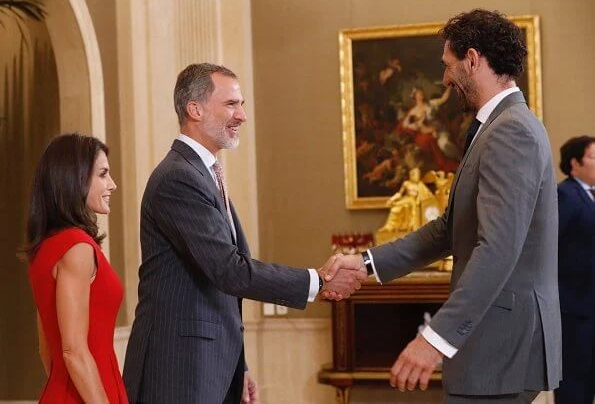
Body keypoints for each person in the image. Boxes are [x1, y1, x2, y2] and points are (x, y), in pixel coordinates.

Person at [322, 9, 561, 403]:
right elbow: (450, 229)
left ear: (472, 59)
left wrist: (434, 339)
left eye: (448, 66)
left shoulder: (511, 131)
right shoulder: (495, 127)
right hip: (494, 346)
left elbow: (498, 249)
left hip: (501, 347)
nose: (445, 78)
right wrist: (365, 264)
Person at [122, 63, 365, 404]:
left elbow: (216, 285)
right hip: (178, 368)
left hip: (208, 365)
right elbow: (229, 270)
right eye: (231, 104)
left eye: (242, 104)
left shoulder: (204, 173)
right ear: (195, 109)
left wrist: (240, 365)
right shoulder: (179, 177)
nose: (242, 116)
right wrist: (318, 282)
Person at [25, 134, 126, 403]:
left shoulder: (47, 248)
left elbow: (48, 350)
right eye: (103, 174)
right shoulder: (77, 248)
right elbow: (72, 350)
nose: (112, 184)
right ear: (76, 179)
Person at [554, 136, 595, 404]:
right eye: (594, 157)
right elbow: (549, 246)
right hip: (576, 312)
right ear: (575, 163)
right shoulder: (564, 195)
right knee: (575, 388)